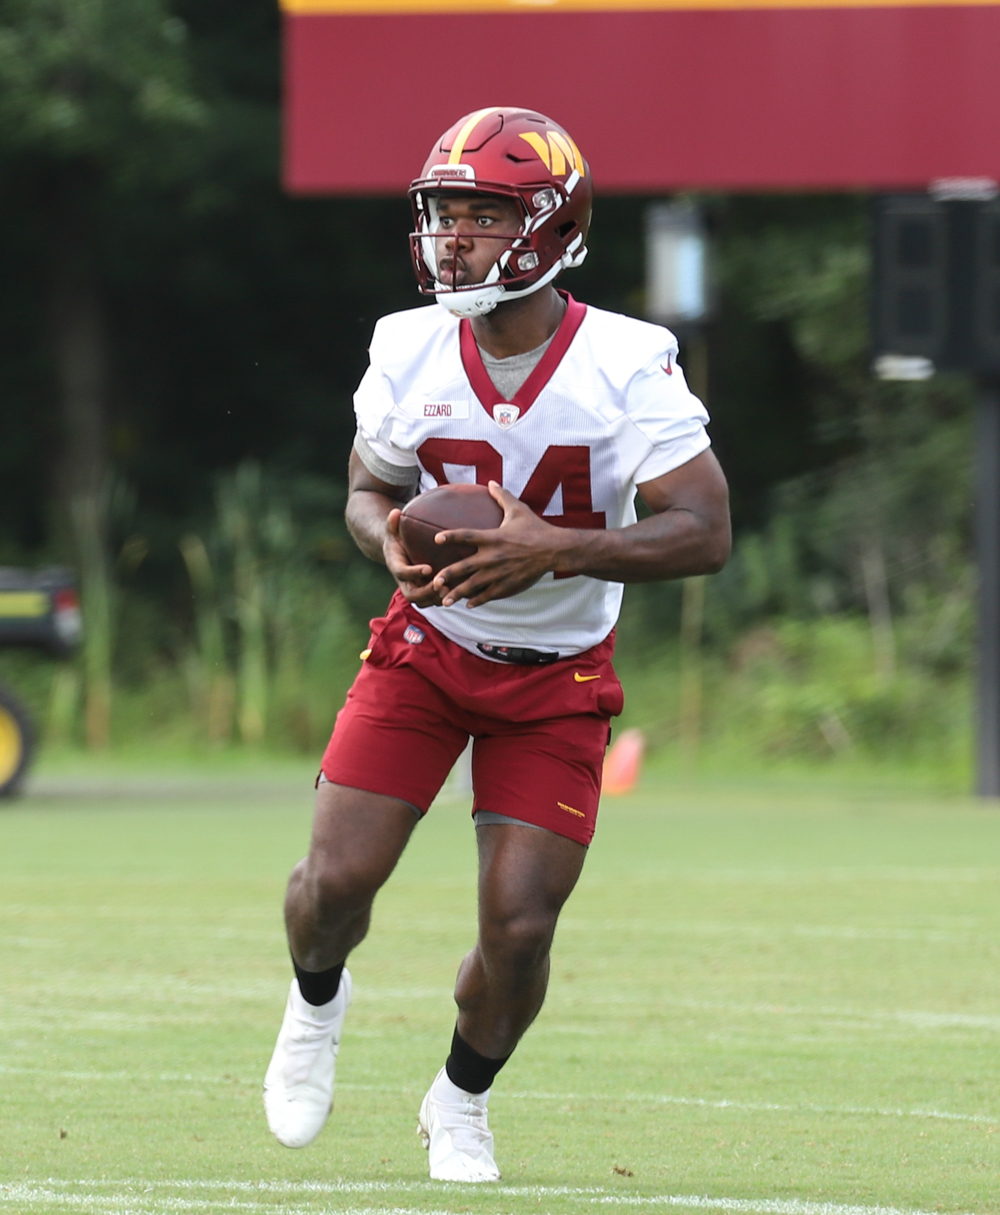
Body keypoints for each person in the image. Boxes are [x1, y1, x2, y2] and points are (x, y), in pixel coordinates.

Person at [263, 106, 731, 1183]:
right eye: (446, 213)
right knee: (333, 884)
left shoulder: (626, 361)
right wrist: (383, 536)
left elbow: (705, 533)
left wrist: (557, 551)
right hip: (425, 649)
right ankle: (314, 1006)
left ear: (553, 230)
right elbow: (365, 489)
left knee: (517, 928)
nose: (457, 237)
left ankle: (459, 1100)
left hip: (558, 676)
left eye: (484, 214)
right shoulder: (405, 343)